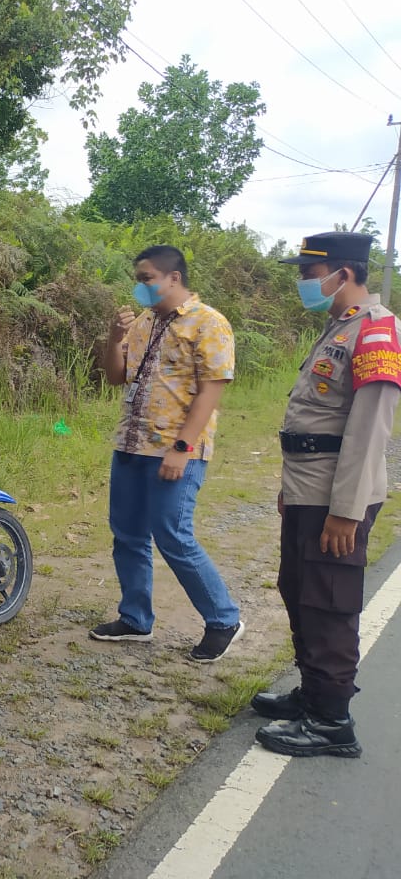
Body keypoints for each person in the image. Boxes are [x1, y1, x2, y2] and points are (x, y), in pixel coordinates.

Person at [250, 231, 399, 758]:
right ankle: (313, 694)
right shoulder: (339, 326)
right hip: (309, 487)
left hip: (337, 495)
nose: (302, 284)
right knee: (299, 588)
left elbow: (368, 429)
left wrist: (346, 512)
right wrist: (292, 491)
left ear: (343, 273)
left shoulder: (377, 331)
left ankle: (332, 722)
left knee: (329, 602)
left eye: (308, 275)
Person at [90, 244, 245, 662]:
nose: (140, 287)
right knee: (127, 535)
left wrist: (182, 447)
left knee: (173, 535)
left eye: (147, 278)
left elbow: (212, 389)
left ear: (173, 278)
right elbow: (116, 377)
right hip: (131, 444)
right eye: (139, 279)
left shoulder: (208, 323)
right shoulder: (143, 322)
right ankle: (136, 618)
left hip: (174, 450)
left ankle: (223, 618)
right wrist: (115, 338)